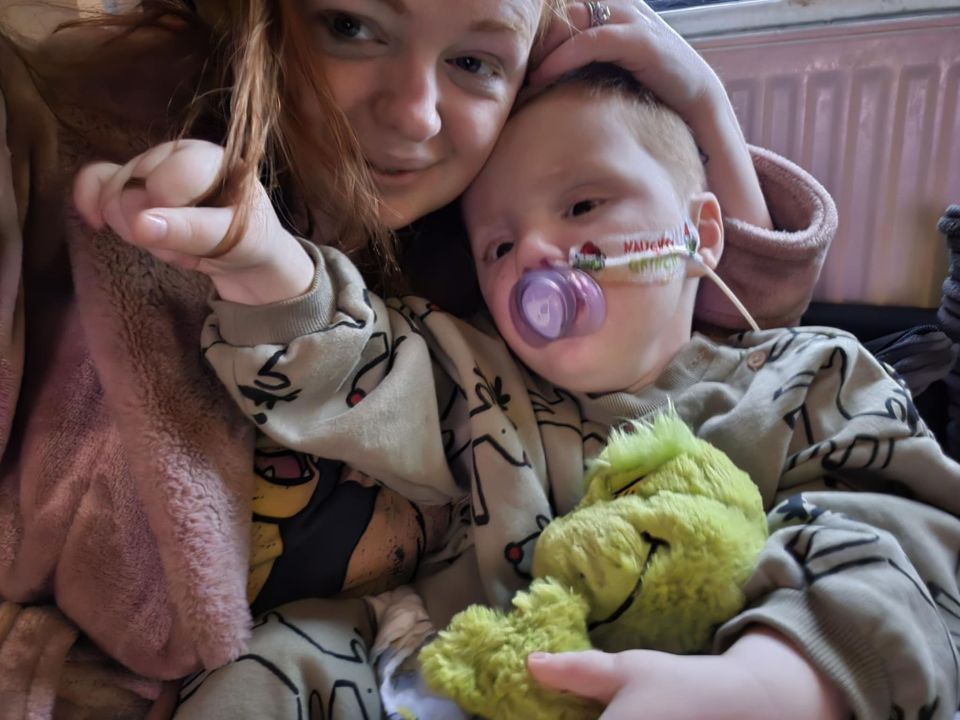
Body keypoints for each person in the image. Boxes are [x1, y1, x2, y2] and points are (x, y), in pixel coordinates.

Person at [3, 0, 834, 717]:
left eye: (474, 60)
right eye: (353, 25)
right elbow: (362, 370)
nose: (416, 116)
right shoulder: (472, 365)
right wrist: (265, 263)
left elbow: (891, 524)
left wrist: (786, 681)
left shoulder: (813, 377)